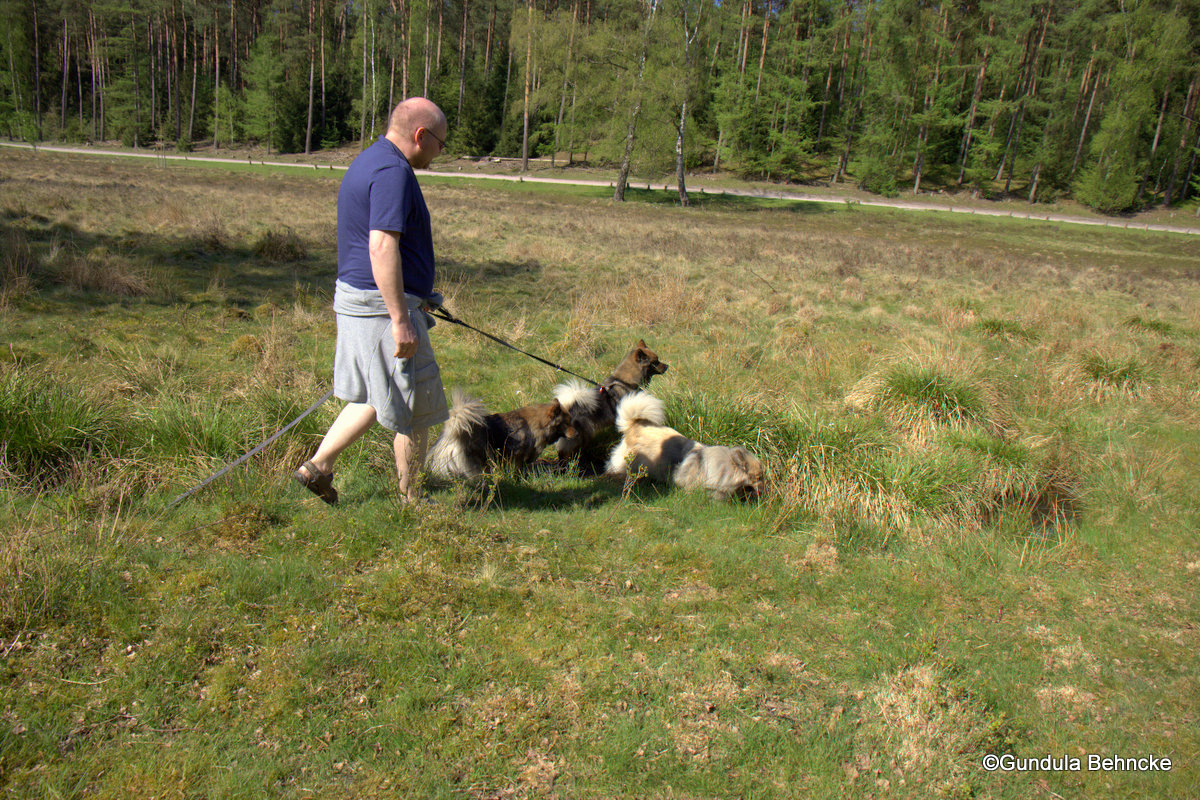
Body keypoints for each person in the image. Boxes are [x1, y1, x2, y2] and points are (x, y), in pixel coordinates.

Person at [294, 97, 449, 505]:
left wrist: (418, 296)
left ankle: (318, 467)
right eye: (440, 143)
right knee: (414, 400)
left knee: (375, 393)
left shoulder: (370, 159)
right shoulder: (392, 172)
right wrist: (401, 316)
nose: (440, 152)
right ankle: (412, 496)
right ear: (420, 135)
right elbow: (380, 245)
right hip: (380, 307)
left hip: (363, 299)